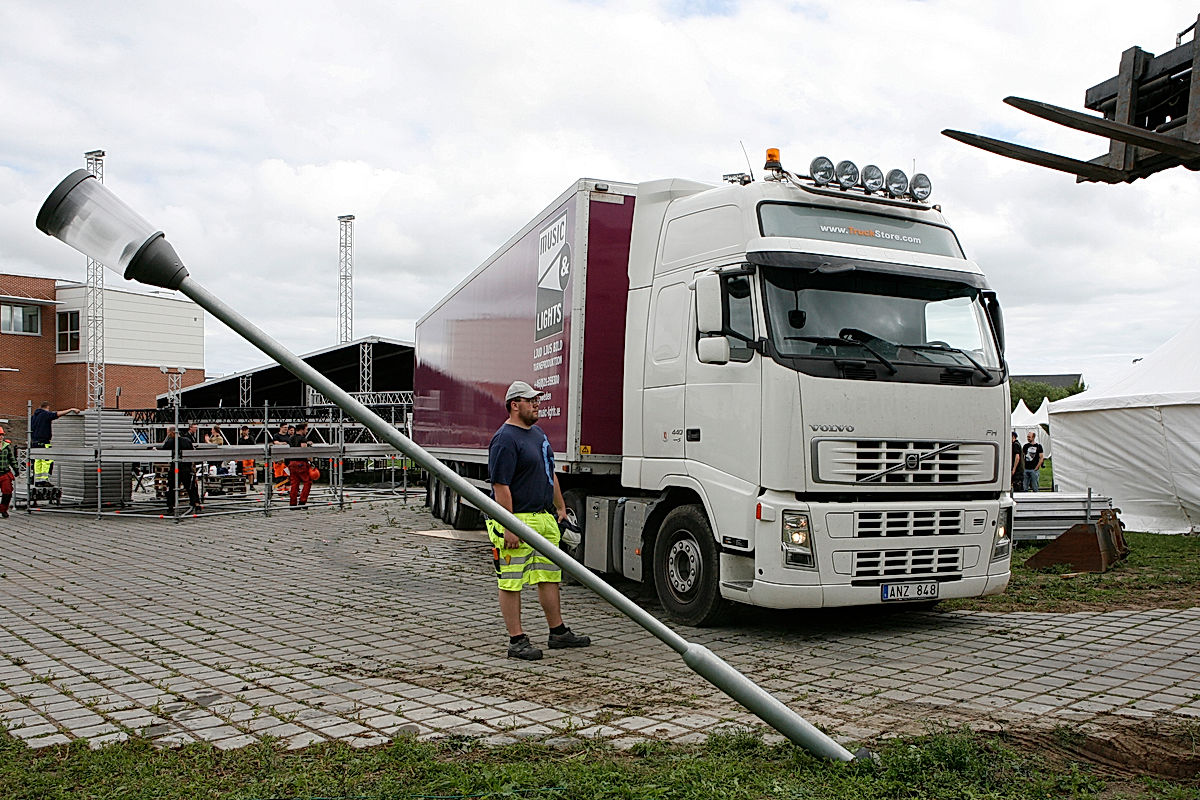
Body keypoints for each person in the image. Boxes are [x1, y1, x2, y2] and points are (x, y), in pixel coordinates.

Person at [486, 380, 590, 661]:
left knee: (549, 576)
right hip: (516, 520)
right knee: (511, 580)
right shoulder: (504, 439)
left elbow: (550, 473)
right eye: (530, 400)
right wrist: (508, 525)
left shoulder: (538, 435)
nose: (536, 404)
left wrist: (561, 509)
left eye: (537, 400)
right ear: (514, 405)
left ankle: (558, 632)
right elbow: (501, 486)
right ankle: (516, 641)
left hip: (543, 519)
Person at [30, 401, 79, 482]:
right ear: (47, 407)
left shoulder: (33, 417)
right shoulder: (45, 414)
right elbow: (57, 414)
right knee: (47, 461)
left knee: (37, 461)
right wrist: (71, 409)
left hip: (35, 444)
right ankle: (44, 480)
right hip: (44, 443)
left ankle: (38, 480)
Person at [160, 425, 202, 514]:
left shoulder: (170, 442)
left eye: (168, 433)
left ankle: (170, 506)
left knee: (172, 487)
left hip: (175, 468)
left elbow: (163, 453)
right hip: (187, 468)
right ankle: (196, 504)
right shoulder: (187, 440)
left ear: (171, 433)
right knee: (191, 487)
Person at [287, 422, 314, 507]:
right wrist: (311, 461)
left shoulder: (291, 438)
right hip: (301, 463)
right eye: (306, 429)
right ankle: (302, 501)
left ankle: (293, 503)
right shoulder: (303, 439)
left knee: (294, 484)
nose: (307, 431)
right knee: (307, 482)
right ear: (302, 429)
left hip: (292, 462)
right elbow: (304, 451)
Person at [0, 426, 18, 519]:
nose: (0, 437)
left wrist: (16, 468)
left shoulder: (6, 446)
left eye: (2, 435)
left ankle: (3, 510)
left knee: (7, 492)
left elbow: (11, 459)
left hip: (5, 473)